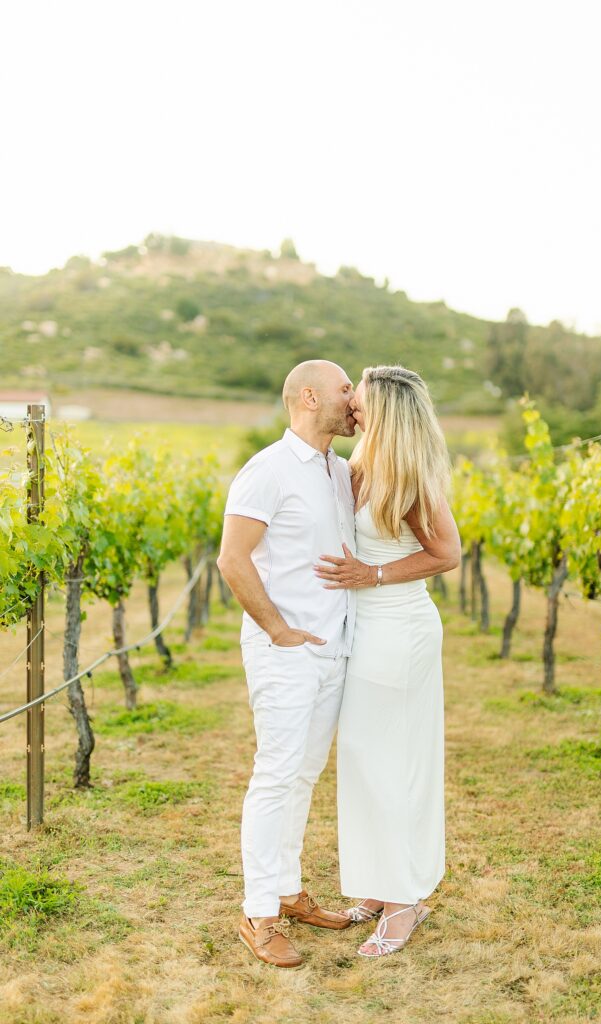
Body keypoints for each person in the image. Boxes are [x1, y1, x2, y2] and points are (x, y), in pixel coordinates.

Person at [313, 365, 461, 958]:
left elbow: (447, 552)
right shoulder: (358, 468)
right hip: (365, 630)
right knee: (363, 757)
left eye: (360, 398)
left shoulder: (410, 477)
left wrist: (372, 574)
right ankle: (379, 883)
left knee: (393, 761)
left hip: (400, 630)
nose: (351, 405)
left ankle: (405, 903)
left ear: (386, 412)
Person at [216, 359, 358, 969]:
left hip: (333, 650)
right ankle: (258, 913)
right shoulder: (267, 470)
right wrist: (277, 629)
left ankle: (289, 890)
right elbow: (232, 559)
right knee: (275, 775)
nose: (354, 400)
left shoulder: (341, 470)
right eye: (345, 389)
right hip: (286, 651)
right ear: (308, 397)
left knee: (302, 777)